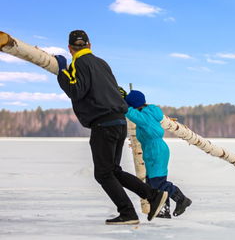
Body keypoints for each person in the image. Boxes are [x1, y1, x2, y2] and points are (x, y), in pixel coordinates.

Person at [54, 30, 167, 225]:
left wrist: (62, 70)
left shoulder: (79, 63)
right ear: (89, 45)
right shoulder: (102, 63)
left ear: (70, 48)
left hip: (103, 123)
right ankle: (153, 195)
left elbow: (75, 90)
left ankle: (128, 213)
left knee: (103, 174)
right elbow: (116, 90)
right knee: (113, 170)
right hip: (118, 122)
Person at [123, 89, 192, 218]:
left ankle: (182, 199)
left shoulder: (142, 117)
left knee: (157, 182)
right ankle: (163, 210)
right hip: (155, 149)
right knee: (152, 182)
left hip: (155, 151)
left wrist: (120, 101)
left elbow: (129, 113)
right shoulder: (151, 112)